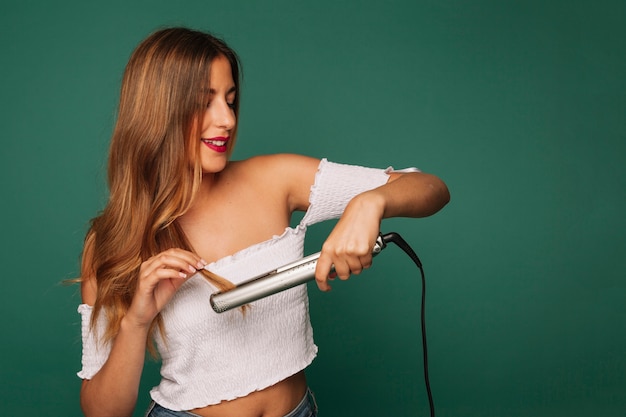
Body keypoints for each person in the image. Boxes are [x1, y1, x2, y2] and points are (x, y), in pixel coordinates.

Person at [77, 27, 450, 417]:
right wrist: (137, 321)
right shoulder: (110, 241)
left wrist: (369, 204)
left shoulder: (275, 179)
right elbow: (102, 412)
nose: (226, 120)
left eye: (230, 100)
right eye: (205, 103)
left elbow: (431, 188)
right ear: (159, 111)